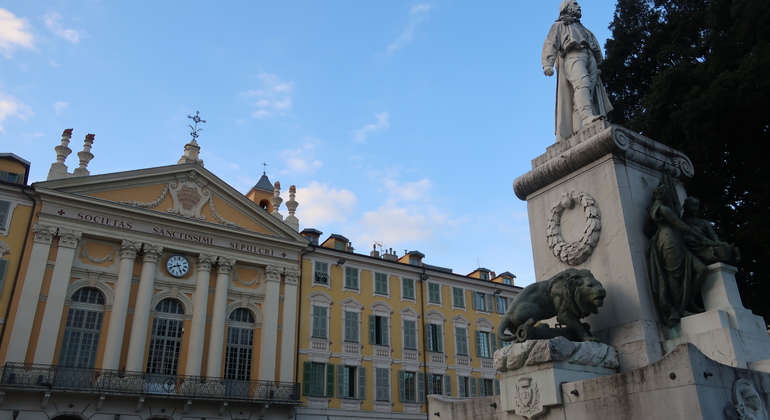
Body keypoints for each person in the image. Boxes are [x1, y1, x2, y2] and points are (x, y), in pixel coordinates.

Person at [542, 0, 613, 141]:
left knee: (587, 92)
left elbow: (595, 46)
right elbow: (550, 43)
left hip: (590, 57)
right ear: (566, 8)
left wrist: (599, 62)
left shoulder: (584, 28)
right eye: (575, 4)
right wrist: (547, 64)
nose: (578, 6)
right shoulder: (559, 25)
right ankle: (587, 117)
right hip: (573, 55)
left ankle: (579, 124)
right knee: (582, 84)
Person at [646, 175, 711, 328]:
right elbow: (679, 224)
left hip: (675, 239)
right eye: (669, 193)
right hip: (669, 240)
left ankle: (689, 301)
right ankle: (679, 309)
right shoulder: (662, 209)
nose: (671, 196)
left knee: (701, 269)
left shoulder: (659, 208)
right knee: (675, 275)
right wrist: (700, 237)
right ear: (663, 194)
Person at [681, 196, 741, 265]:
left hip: (708, 244)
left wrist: (718, 243)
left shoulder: (703, 222)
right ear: (686, 206)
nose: (696, 208)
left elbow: (712, 235)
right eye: (693, 205)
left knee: (725, 250)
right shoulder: (682, 223)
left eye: (697, 206)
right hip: (696, 247)